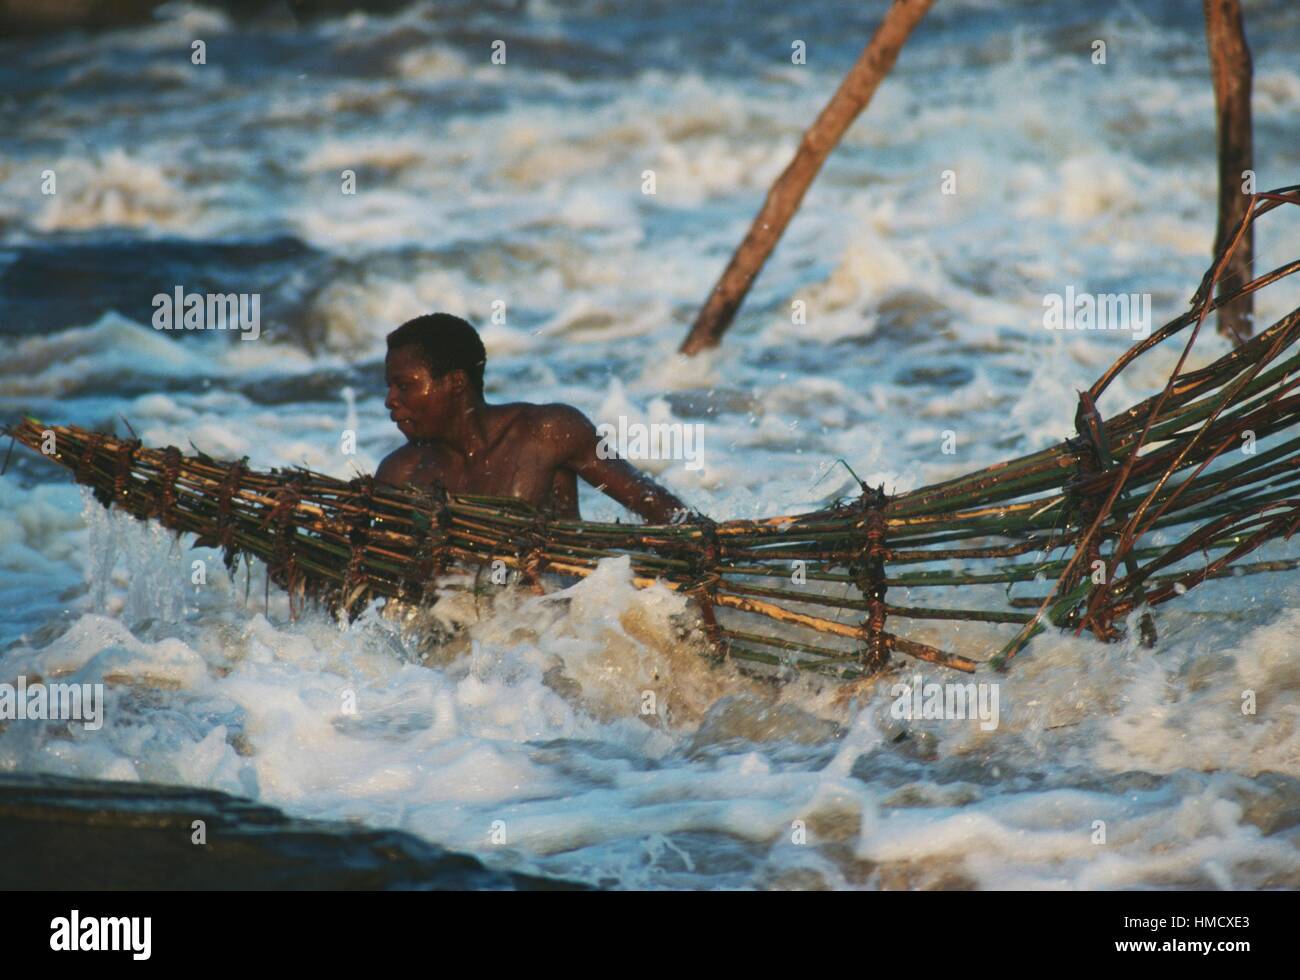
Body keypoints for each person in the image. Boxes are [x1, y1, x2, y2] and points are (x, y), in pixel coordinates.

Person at [376, 313, 692, 524]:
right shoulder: (400, 473)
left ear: (456, 382)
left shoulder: (548, 432)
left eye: (404, 386)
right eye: (390, 387)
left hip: (555, 619)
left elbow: (652, 503)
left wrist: (716, 548)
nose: (391, 400)